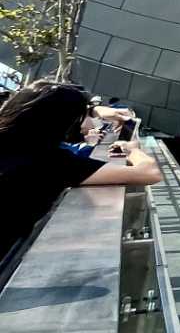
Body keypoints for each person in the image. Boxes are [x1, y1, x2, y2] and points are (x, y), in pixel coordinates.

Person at [0, 81, 162, 266]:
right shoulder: (53, 161)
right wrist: (132, 149)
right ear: (64, 123)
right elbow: (149, 172)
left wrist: (92, 110)